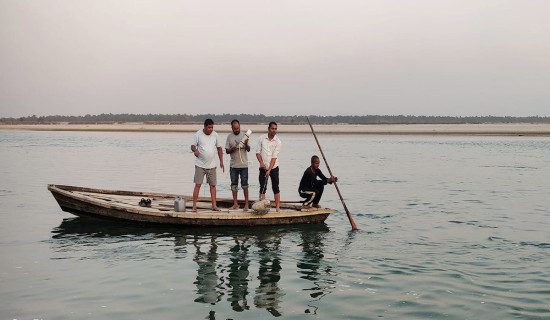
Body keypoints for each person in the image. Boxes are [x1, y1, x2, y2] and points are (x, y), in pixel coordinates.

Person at [191, 119, 224, 212]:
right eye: (209, 127)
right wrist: (195, 151)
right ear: (205, 127)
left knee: (213, 186)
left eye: (212, 127)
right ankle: (194, 206)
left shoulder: (215, 135)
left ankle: (214, 205)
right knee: (198, 184)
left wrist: (221, 161)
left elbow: (219, 148)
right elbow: (192, 146)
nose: (211, 129)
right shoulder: (198, 134)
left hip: (212, 165)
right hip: (200, 165)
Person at [256, 122, 282, 212]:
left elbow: (274, 157)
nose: (274, 130)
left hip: (274, 168)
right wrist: (261, 163)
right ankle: (261, 207)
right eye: (272, 128)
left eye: (275, 129)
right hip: (263, 167)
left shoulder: (278, 142)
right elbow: (258, 153)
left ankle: (277, 208)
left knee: (276, 187)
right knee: (262, 187)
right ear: (268, 129)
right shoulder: (261, 138)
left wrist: (269, 170)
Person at [225, 119, 250, 211]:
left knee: (245, 185)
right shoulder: (229, 137)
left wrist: (246, 144)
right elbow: (227, 151)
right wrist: (232, 149)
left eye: (238, 128)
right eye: (235, 128)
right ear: (232, 128)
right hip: (233, 166)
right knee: (234, 185)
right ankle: (235, 204)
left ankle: (246, 205)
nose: (236, 130)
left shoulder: (244, 135)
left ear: (240, 126)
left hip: (243, 165)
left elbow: (249, 149)